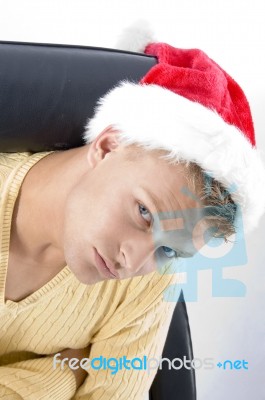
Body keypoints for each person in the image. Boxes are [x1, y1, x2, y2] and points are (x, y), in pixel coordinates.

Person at [0, 27, 264, 399]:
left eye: (169, 250)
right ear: (108, 146)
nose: (134, 262)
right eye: (144, 213)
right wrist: (63, 377)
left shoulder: (151, 282)